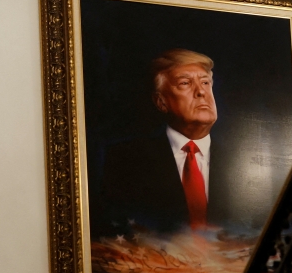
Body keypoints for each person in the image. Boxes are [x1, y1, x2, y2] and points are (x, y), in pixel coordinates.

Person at [100, 49, 236, 233]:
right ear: (161, 102)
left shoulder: (238, 162)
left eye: (205, 82)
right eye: (185, 83)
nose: (201, 92)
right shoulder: (126, 160)